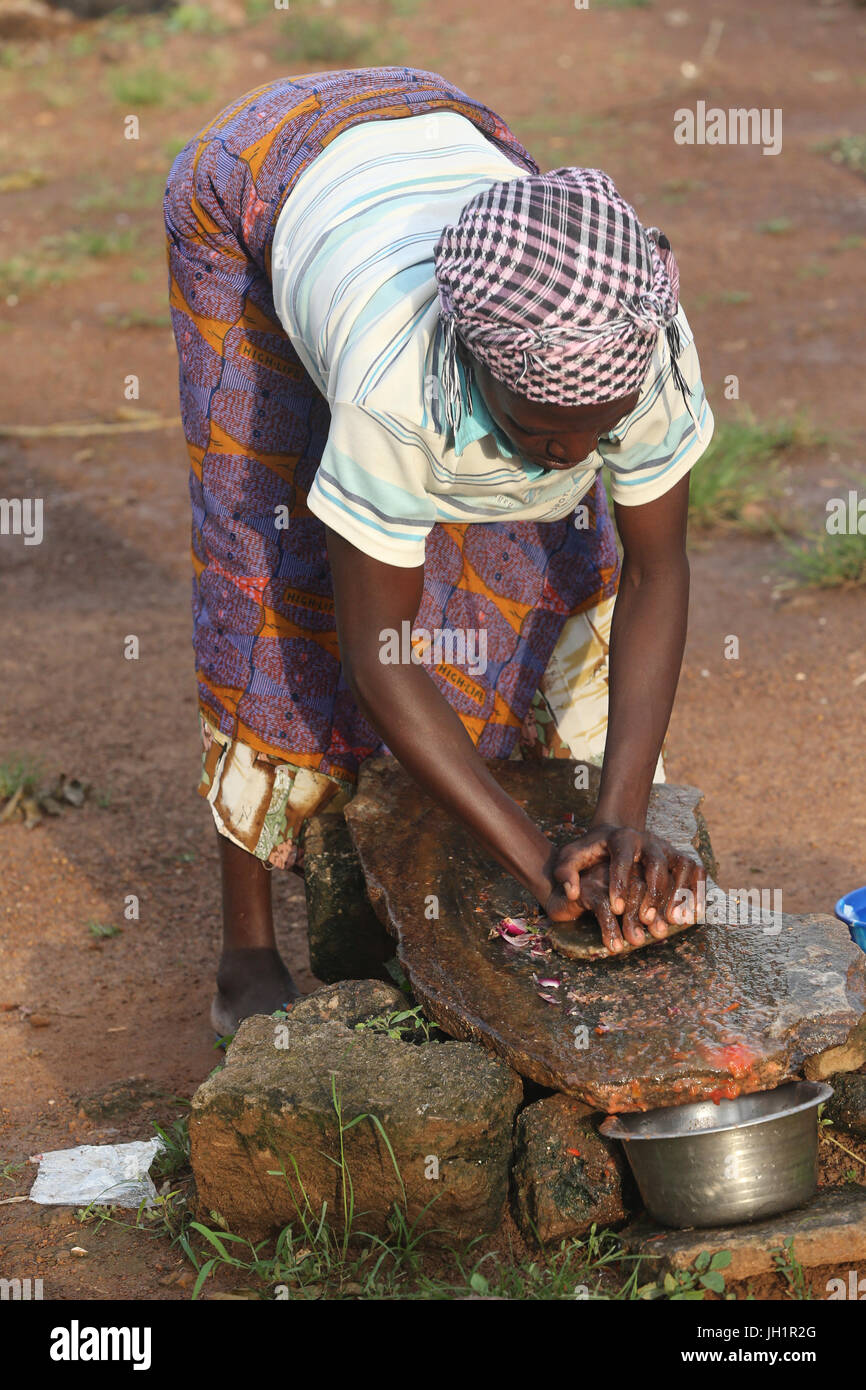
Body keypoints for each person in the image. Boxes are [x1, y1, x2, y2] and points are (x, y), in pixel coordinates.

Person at [163, 67, 712, 1035]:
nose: (575, 454)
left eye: (600, 430)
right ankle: (244, 946)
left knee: (556, 573)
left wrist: (622, 816)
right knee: (268, 570)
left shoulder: (634, 334)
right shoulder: (393, 385)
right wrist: (529, 853)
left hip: (442, 126)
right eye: (544, 432)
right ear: (476, 368)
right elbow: (379, 651)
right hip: (263, 178)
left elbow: (654, 570)